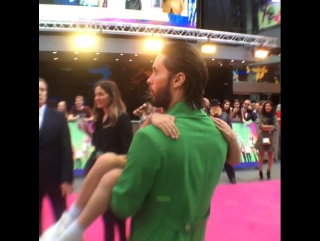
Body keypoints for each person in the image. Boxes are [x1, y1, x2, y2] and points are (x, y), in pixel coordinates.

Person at [40, 43, 240, 241]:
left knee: (110, 173)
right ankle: (69, 225)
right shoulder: (218, 133)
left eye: (155, 71)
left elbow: (123, 205)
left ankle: (71, 227)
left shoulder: (151, 137)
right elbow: (232, 160)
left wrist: (117, 184)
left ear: (178, 79)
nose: (149, 79)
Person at [39, 78, 74, 237]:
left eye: (43, 90)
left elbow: (66, 150)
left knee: (62, 219)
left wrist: (67, 179)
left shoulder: (58, 117)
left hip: (55, 179)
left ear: (46, 94)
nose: (40, 93)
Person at [209, 99, 237, 184]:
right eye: (213, 106)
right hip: (213, 141)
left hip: (224, 140)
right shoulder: (208, 116)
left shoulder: (225, 115)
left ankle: (232, 177)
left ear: (219, 106)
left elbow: (230, 128)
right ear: (211, 107)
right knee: (212, 161)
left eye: (216, 106)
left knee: (227, 161)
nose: (215, 107)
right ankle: (211, 179)